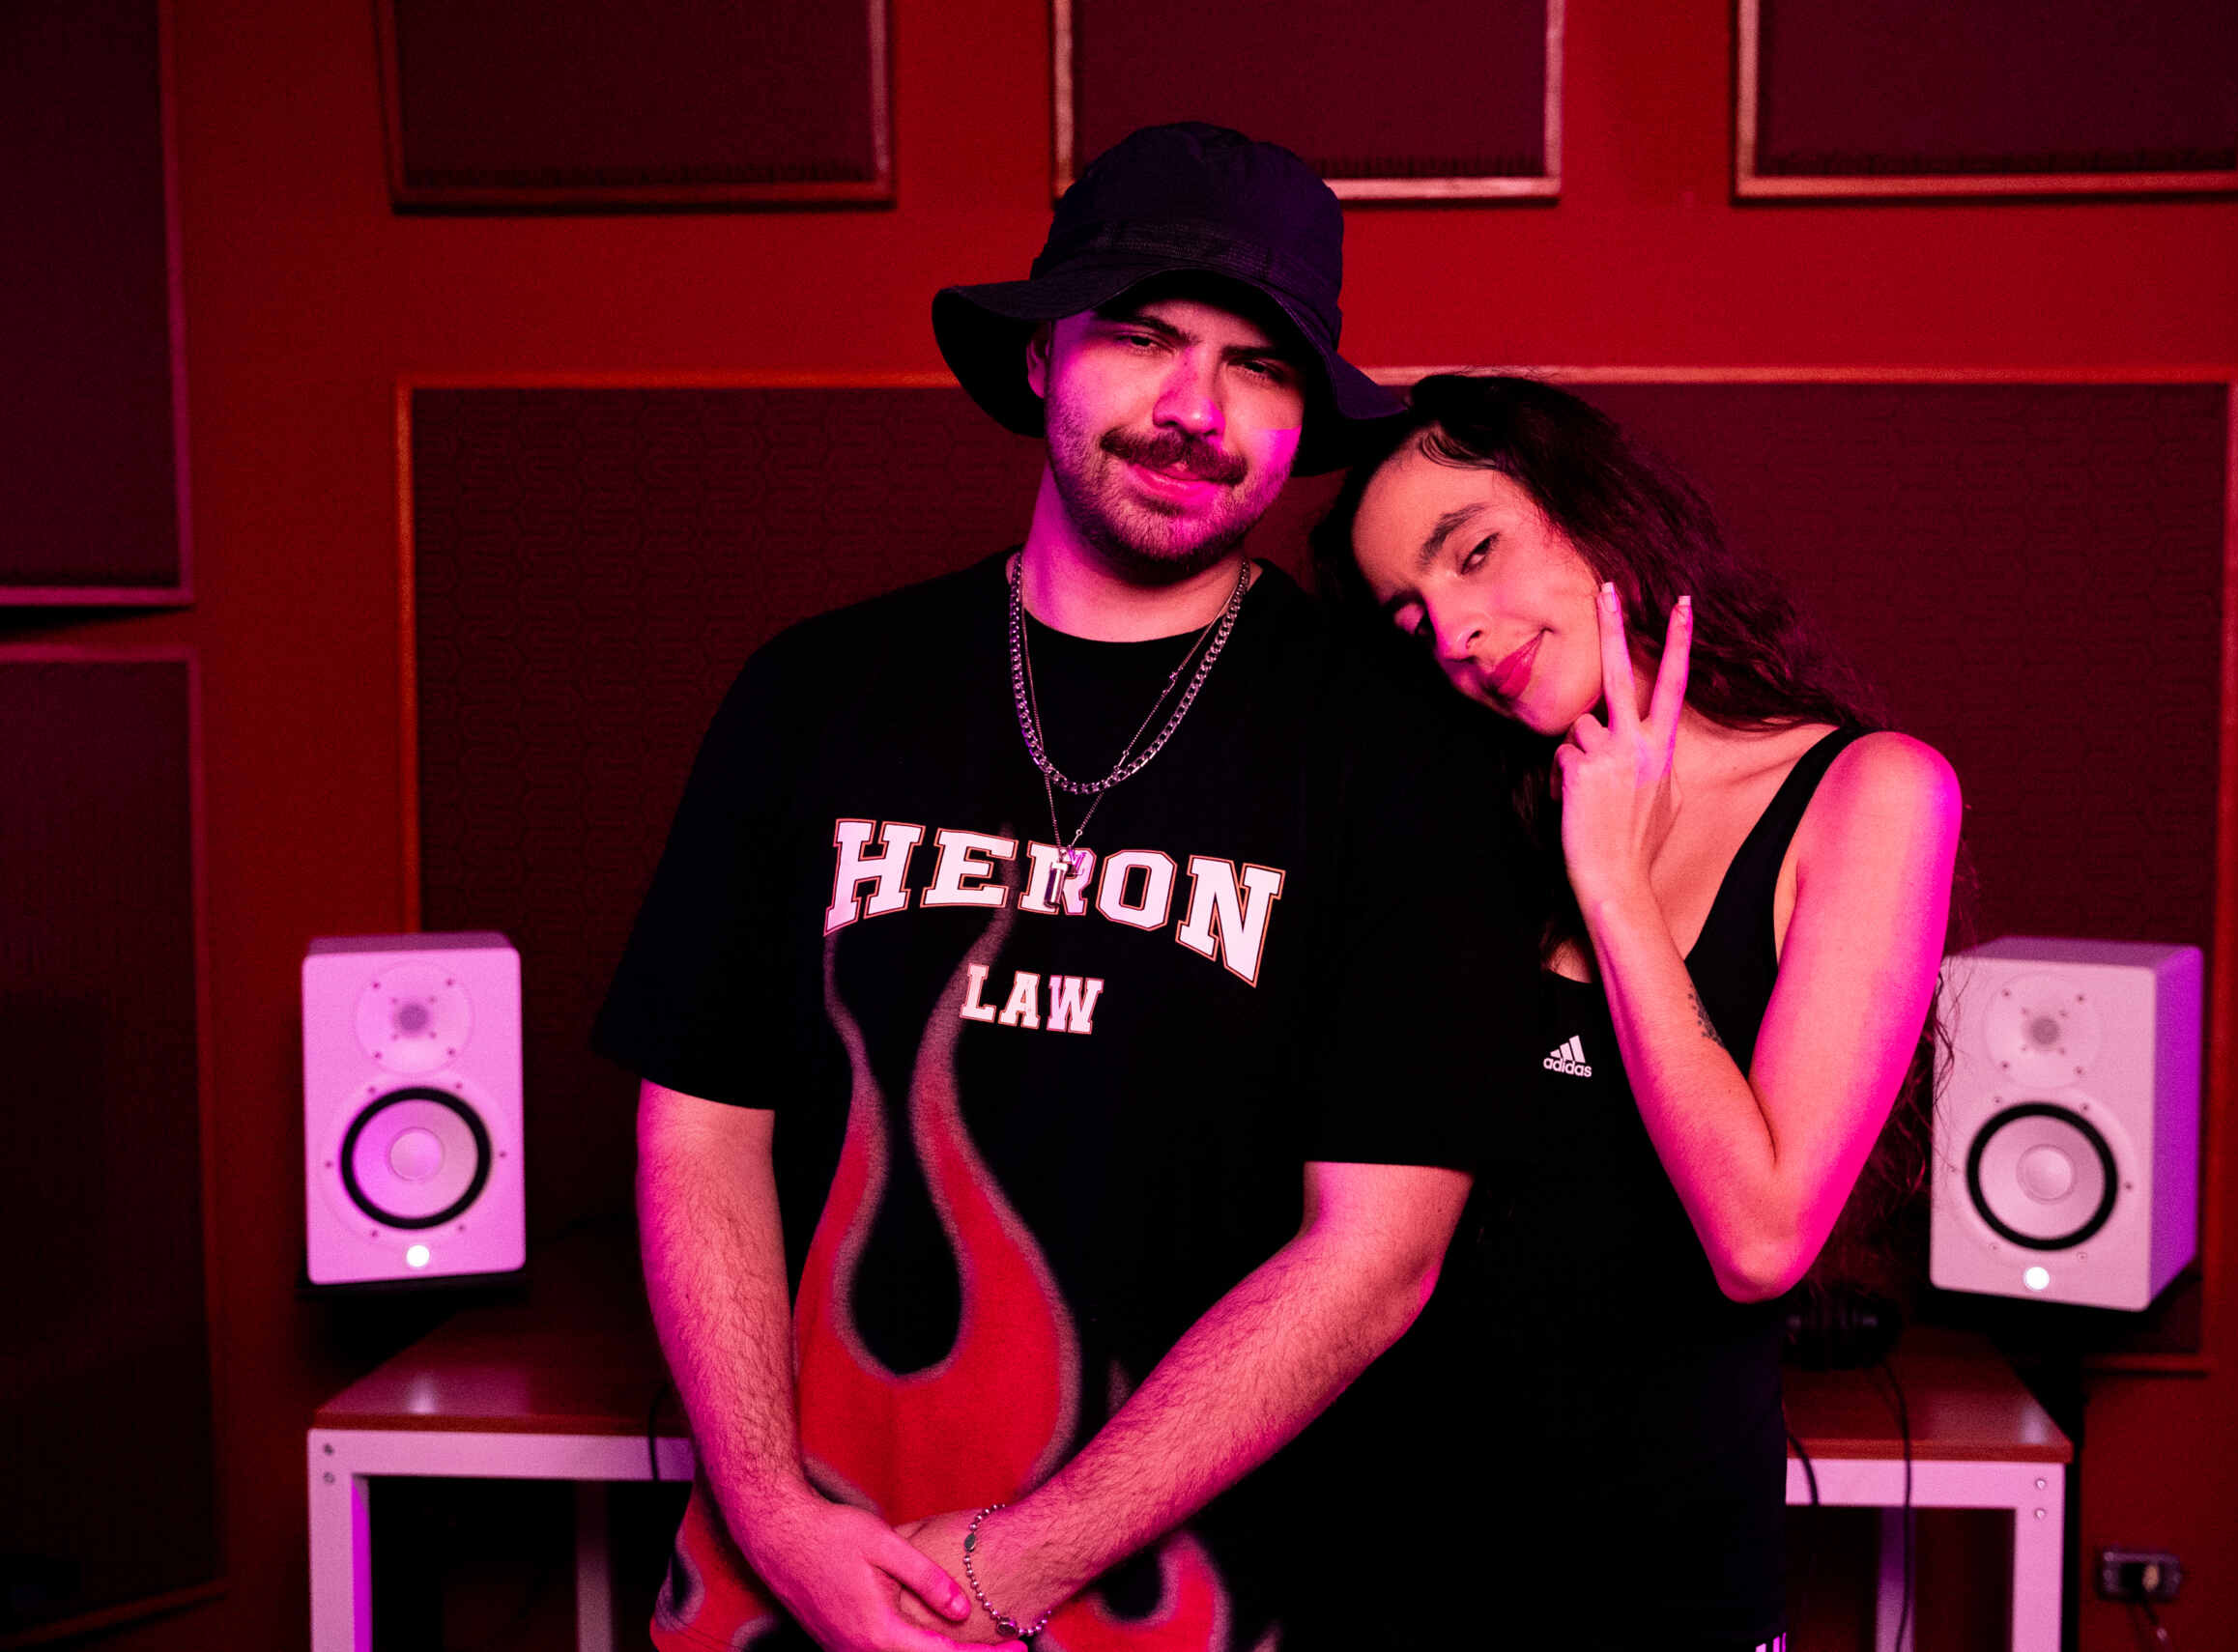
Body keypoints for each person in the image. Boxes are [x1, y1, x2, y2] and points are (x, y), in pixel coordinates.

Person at [593, 127, 1530, 1652]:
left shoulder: (1399, 756)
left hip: (1189, 1609)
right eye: (1144, 337)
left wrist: (1009, 1570)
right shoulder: (815, 693)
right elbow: (698, 1128)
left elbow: (1377, 1255)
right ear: (1041, 360)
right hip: (792, 1588)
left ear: (1302, 418)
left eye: (1257, 367)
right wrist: (771, 1512)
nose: (1195, 409)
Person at [1313, 373, 1964, 1651]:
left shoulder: (1869, 794)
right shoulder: (1457, 812)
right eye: (1413, 614)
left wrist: (1613, 879)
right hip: (1386, 1580)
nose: (1456, 633)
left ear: (1597, 508)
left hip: (1663, 1600)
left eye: (1475, 551)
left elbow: (1759, 1238)